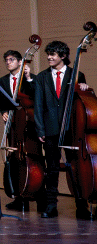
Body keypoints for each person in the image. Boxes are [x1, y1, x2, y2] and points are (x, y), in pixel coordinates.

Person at [34, 40, 91, 219]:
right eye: (48, 54)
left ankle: (81, 205)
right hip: (50, 130)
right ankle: (51, 205)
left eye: (53, 54)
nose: (49, 57)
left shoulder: (77, 74)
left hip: (72, 130)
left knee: (76, 168)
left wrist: (83, 88)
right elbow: (38, 105)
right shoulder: (41, 77)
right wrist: (40, 129)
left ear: (64, 56)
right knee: (51, 169)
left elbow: (82, 102)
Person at [0, 49, 36, 211]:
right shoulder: (3, 80)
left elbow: (36, 97)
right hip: (13, 126)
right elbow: (1, 101)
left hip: (29, 124)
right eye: (6, 60)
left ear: (20, 62)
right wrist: (4, 112)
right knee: (14, 159)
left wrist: (28, 78)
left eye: (12, 59)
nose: (8, 62)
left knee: (33, 160)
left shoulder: (30, 78)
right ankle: (19, 197)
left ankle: (38, 195)